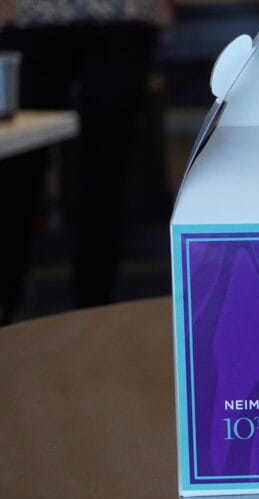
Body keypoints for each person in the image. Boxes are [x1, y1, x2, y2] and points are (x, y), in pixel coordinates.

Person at [0, 1, 171, 320]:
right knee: (17, 154)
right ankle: (8, 297)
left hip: (124, 13)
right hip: (28, 13)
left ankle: (95, 306)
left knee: (108, 166)